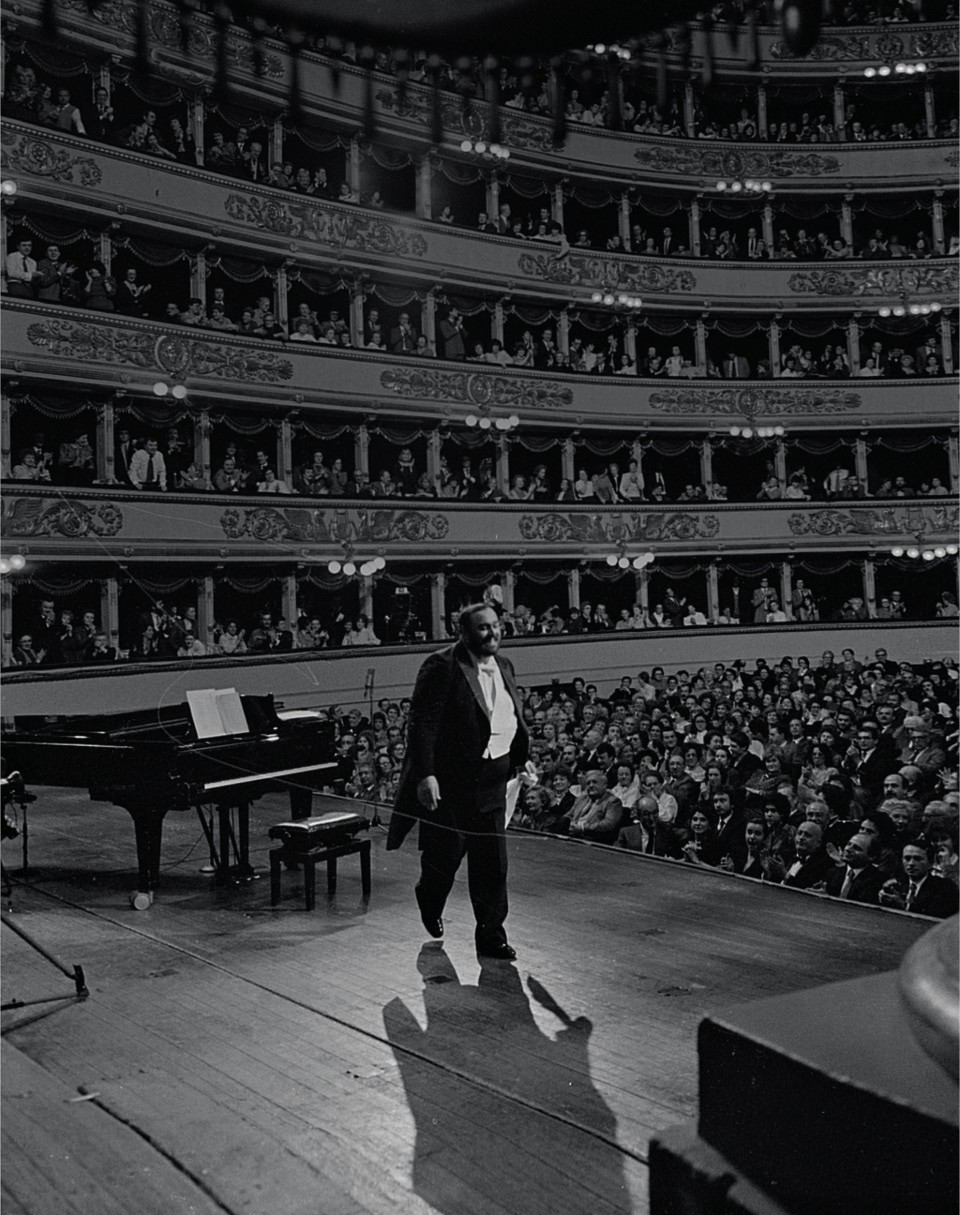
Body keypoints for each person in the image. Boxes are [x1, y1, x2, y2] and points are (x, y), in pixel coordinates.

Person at [386, 603, 531, 960]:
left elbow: (508, 718)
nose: (493, 633)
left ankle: (491, 936)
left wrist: (520, 761)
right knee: (445, 857)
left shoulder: (505, 665)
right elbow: (423, 724)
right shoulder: (441, 665)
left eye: (496, 625)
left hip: (493, 780)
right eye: (483, 627)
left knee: (493, 865)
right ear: (463, 632)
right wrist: (426, 775)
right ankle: (429, 895)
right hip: (453, 783)